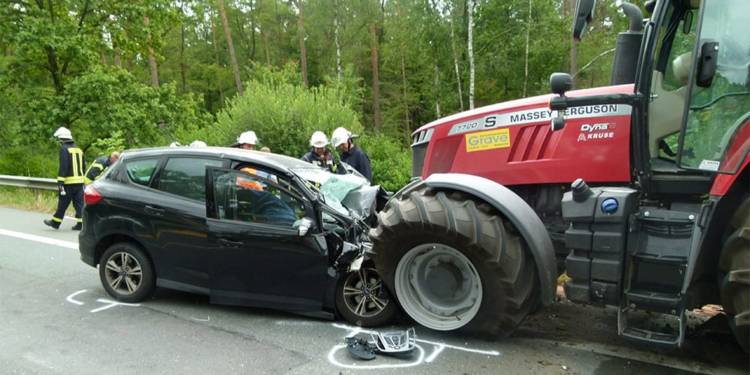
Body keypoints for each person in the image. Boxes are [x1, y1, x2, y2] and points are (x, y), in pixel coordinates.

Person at [44, 127, 85, 231]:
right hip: (79, 182)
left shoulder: (64, 149)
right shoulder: (79, 150)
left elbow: (64, 166)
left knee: (63, 203)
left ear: (61, 139)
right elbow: (83, 166)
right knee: (79, 204)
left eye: (59, 139)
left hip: (68, 183)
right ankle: (81, 224)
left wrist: (60, 181)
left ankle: (55, 223)